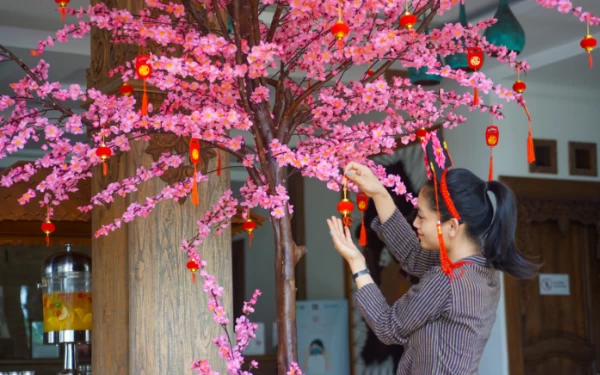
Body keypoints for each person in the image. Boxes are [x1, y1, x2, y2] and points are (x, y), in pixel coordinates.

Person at [327, 133, 538, 375]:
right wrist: (380, 193)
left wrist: (357, 263)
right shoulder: (480, 268)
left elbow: (387, 327)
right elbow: (413, 256)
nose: (415, 223)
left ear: (452, 227)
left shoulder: (447, 280)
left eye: (422, 216)